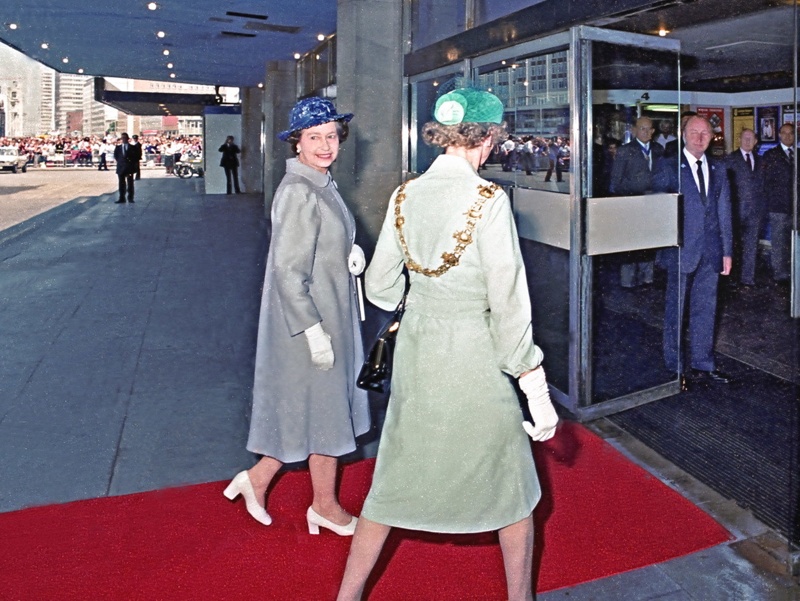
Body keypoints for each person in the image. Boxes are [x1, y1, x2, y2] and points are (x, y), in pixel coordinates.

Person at [337, 88, 559, 601]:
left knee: (393, 477)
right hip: (474, 358)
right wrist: (535, 387)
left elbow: (380, 288)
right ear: (485, 138)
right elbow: (508, 301)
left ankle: (347, 596)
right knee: (512, 488)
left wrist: (421, 301)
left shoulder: (405, 194)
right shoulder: (489, 201)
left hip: (418, 352)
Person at [224, 97, 370, 535]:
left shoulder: (321, 184)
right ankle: (323, 506)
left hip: (328, 314)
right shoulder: (299, 192)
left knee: (314, 411)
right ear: (297, 144)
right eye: (314, 137)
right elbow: (289, 271)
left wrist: (347, 253)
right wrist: (313, 331)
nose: (325, 145)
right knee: (323, 412)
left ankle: (258, 481)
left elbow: (315, 248)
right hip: (312, 323)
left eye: (331, 136)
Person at [653, 115, 733, 386]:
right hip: (680, 251)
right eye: (695, 132)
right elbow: (657, 209)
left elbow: (724, 213)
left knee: (706, 310)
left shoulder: (719, 169)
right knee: (675, 312)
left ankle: (703, 362)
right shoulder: (669, 167)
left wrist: (727, 251)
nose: (700, 138)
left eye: (706, 133)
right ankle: (674, 368)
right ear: (683, 135)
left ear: (712, 138)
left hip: (710, 253)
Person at [609, 116, 663, 288]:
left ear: (653, 131)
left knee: (649, 243)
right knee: (630, 245)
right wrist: (637, 187)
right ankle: (628, 282)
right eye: (642, 129)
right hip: (632, 206)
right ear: (634, 130)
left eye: (649, 129)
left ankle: (648, 278)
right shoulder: (625, 151)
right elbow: (615, 184)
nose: (646, 132)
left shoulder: (659, 149)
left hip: (652, 206)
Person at [724, 129, 765, 288]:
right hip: (735, 211)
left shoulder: (761, 161)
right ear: (739, 139)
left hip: (755, 212)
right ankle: (732, 278)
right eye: (745, 138)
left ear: (755, 142)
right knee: (734, 245)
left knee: (751, 246)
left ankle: (747, 278)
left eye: (751, 139)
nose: (747, 141)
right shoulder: (730, 159)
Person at [761, 123, 795, 289]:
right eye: (784, 133)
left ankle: (792, 272)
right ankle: (780, 275)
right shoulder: (771, 155)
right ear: (779, 135)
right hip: (778, 208)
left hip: (796, 209)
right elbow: (765, 182)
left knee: (793, 243)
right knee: (779, 243)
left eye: (791, 133)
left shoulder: (797, 154)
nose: (788, 136)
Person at [113, 133, 139, 204]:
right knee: (121, 184)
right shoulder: (118, 148)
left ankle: (130, 198)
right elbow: (116, 156)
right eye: (122, 138)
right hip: (121, 168)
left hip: (129, 168)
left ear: (128, 138)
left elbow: (135, 157)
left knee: (130, 183)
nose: (123, 139)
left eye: (125, 138)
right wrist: (121, 162)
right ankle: (122, 198)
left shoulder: (132, 147)